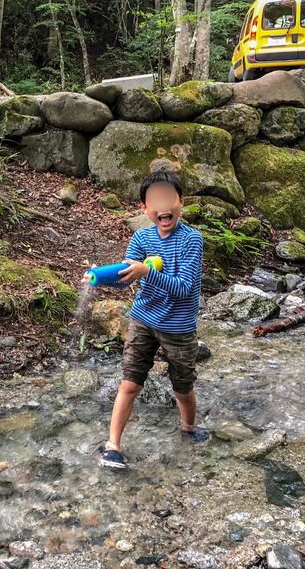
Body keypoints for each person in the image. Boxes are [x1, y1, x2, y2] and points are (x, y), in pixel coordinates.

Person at [96, 171, 206, 471]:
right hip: (143, 320)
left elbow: (184, 288)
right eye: (153, 202)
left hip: (179, 327)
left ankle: (187, 427)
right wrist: (99, 277)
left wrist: (148, 273)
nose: (162, 207)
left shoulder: (191, 241)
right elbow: (126, 276)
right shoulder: (142, 237)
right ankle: (112, 445)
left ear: (180, 202)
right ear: (145, 209)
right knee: (130, 383)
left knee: (182, 388)